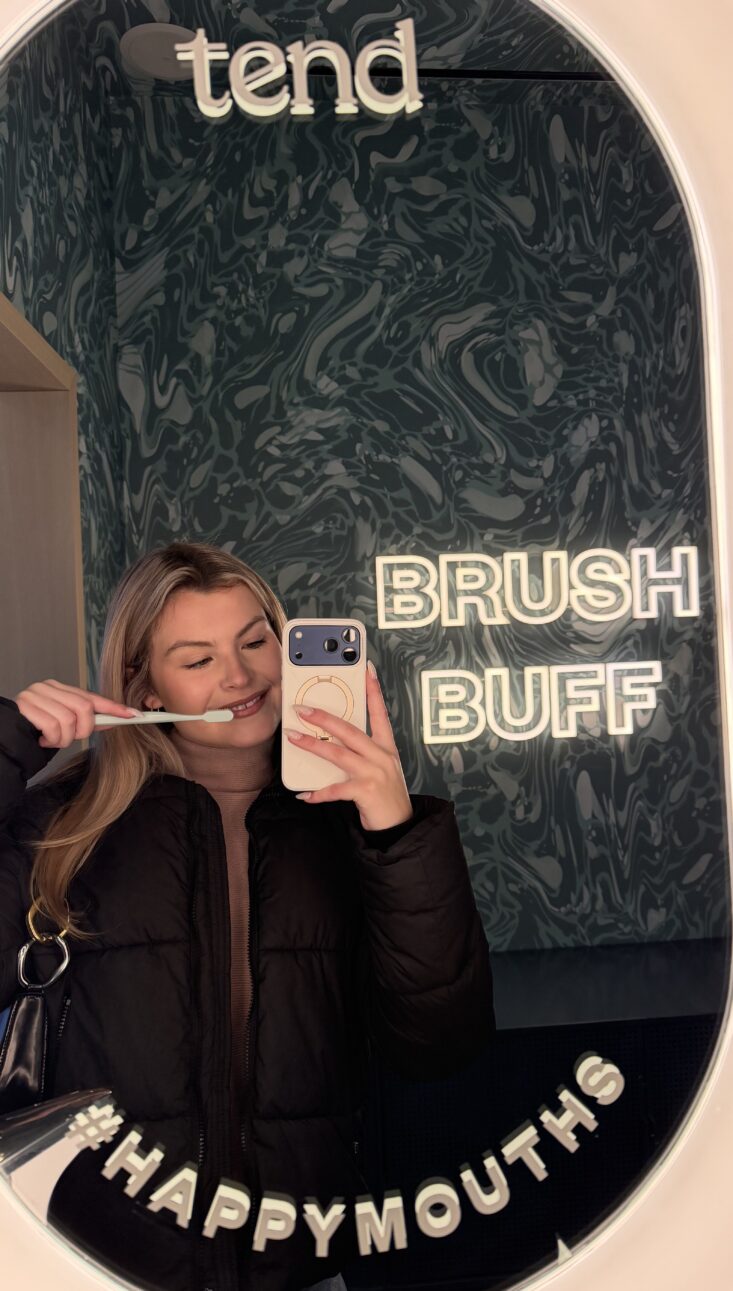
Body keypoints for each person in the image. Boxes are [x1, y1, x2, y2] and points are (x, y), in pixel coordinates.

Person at [0, 541, 496, 1291]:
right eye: (198, 659)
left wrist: (395, 832)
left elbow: (442, 1044)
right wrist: (5, 746)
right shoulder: (64, 826)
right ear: (144, 684)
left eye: (256, 641)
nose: (240, 676)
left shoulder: (350, 825)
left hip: (302, 1262)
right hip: (96, 1263)